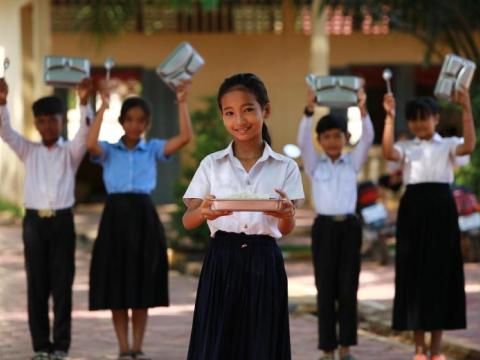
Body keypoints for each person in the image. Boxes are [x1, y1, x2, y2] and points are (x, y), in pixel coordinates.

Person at [183, 73, 304, 360]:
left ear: (266, 110)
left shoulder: (284, 167)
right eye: (230, 112)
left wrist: (287, 213)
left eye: (248, 109)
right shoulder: (212, 164)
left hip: (265, 260)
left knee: (261, 343)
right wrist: (202, 212)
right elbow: (188, 220)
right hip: (221, 260)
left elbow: (286, 228)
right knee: (218, 343)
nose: (240, 120)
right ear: (222, 116)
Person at [86, 81, 193, 360]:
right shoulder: (108, 150)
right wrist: (102, 108)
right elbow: (89, 143)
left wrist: (182, 101)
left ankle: (138, 347)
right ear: (122, 122)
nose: (135, 125)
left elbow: (184, 138)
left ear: (147, 124)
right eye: (130, 119)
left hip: (144, 216)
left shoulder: (154, 149)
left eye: (141, 121)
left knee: (141, 284)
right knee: (117, 284)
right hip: (115, 218)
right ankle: (123, 348)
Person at [0, 77, 93, 360]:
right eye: (41, 121)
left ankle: (61, 347)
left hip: (62, 222)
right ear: (36, 124)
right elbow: (5, 132)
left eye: (52, 120)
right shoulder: (29, 150)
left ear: (62, 121)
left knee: (62, 285)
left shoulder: (71, 153)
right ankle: (41, 346)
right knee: (37, 285)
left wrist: (84, 101)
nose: (47, 126)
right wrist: (2, 102)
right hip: (34, 224)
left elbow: (84, 135)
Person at [382, 91, 475, 360]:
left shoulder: (448, 144)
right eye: (414, 119)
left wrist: (466, 108)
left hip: (442, 211)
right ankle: (419, 349)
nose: (420, 124)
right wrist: (389, 117)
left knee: (440, 276)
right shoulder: (408, 148)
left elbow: (468, 146)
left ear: (436, 119)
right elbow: (388, 152)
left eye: (425, 118)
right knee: (414, 275)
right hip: (413, 211)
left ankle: (436, 350)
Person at [297, 87, 374, 360]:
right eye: (326, 136)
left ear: (345, 138)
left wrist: (362, 110)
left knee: (348, 288)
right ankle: (328, 350)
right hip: (325, 229)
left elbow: (369, 138)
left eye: (337, 136)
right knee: (325, 289)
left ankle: (346, 348)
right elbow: (302, 140)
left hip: (349, 228)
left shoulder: (352, 163)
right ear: (320, 140)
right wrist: (309, 111)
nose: (332, 141)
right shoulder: (314, 165)